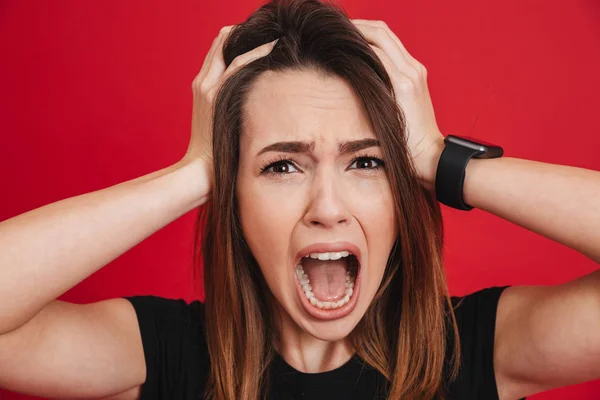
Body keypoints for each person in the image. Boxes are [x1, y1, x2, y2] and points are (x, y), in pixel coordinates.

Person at [0, 0, 599, 399]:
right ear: (233, 197)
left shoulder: (474, 350)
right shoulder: (168, 355)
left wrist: (440, 158)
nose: (328, 206)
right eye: (282, 165)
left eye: (367, 162)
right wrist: (197, 172)